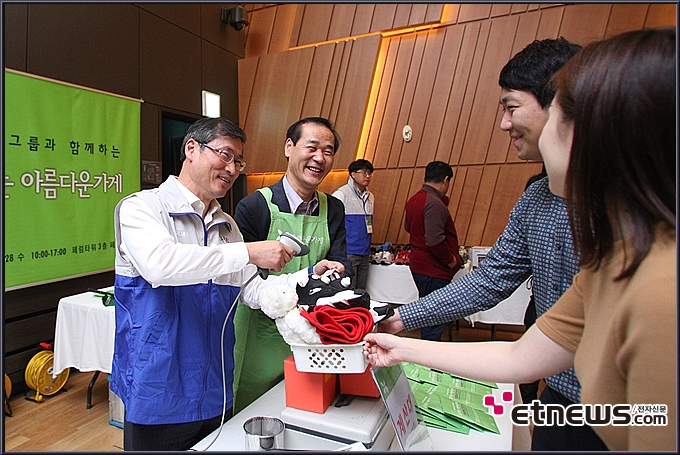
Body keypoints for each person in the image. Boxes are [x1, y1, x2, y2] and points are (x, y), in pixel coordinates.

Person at [366, 28, 676, 451]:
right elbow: (520, 355)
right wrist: (399, 340)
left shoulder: (660, 291)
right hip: (566, 403)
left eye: (563, 112)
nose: (504, 123)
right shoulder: (604, 261)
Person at [110, 117, 344, 451]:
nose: (232, 168)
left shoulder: (226, 224)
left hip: (216, 383)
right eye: (224, 155)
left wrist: (307, 279)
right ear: (192, 149)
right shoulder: (142, 208)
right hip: (159, 385)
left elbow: (253, 289)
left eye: (238, 161)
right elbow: (161, 266)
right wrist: (248, 251)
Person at [232, 117, 353, 412]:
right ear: (289, 147)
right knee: (254, 409)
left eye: (328, 151)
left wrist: (339, 272)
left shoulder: (333, 208)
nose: (319, 158)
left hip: (315, 330)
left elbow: (342, 261)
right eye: (311, 147)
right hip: (262, 333)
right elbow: (245, 280)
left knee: (308, 407)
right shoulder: (254, 207)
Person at [404, 161, 461, 342]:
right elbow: (435, 240)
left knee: (429, 315)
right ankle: (429, 364)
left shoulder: (414, 199)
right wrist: (451, 260)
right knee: (434, 319)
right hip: (433, 268)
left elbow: (408, 227)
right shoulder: (434, 203)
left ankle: (426, 360)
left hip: (420, 265)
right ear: (446, 180)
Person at [332, 159, 375, 290]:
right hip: (349, 250)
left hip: (365, 250)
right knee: (348, 290)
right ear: (352, 174)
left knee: (361, 290)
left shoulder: (370, 196)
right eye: (364, 172)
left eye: (370, 173)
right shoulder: (341, 194)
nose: (367, 176)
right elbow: (333, 223)